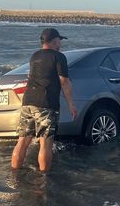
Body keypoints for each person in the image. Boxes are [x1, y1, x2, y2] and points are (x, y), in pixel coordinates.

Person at [11, 28, 77, 173]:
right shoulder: (59, 57)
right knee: (45, 143)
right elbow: (64, 81)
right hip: (46, 104)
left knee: (22, 141)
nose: (61, 43)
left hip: (28, 103)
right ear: (54, 41)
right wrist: (71, 104)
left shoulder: (34, 56)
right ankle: (43, 179)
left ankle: (14, 174)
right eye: (59, 40)